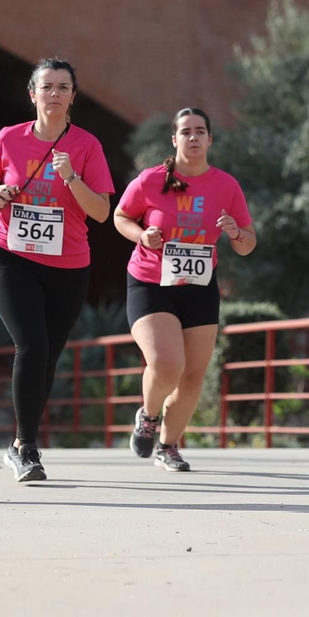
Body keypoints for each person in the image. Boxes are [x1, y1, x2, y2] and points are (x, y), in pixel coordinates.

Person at [0, 59, 113, 483]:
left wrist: (71, 178)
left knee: (48, 355)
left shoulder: (87, 146)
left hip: (68, 265)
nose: (54, 94)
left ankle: (18, 444)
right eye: (46, 86)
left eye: (62, 87)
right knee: (31, 344)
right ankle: (27, 447)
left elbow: (102, 212)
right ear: (32, 94)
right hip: (10, 256)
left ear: (73, 96)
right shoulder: (8, 138)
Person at [114, 108, 256, 471]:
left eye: (200, 132)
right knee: (166, 364)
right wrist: (141, 235)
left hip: (198, 285)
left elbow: (247, 244)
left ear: (210, 139)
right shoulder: (151, 180)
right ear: (174, 140)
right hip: (151, 282)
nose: (193, 138)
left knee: (193, 375)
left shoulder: (226, 186)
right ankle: (148, 416)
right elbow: (121, 216)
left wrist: (235, 232)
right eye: (186, 132)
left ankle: (168, 446)